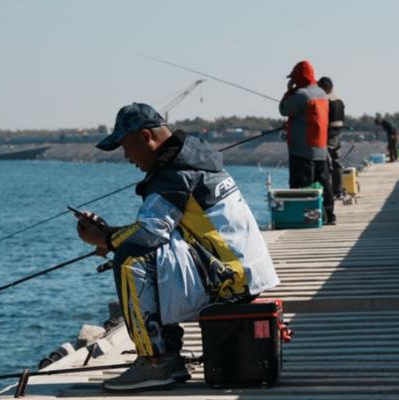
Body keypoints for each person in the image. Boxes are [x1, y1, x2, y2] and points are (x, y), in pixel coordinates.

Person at [74, 103, 279, 392]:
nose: (126, 156)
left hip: (230, 281)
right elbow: (159, 229)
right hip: (243, 272)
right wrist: (110, 236)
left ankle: (156, 361)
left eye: (126, 145)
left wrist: (106, 240)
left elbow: (148, 234)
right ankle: (168, 358)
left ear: (146, 136)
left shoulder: (175, 173)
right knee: (139, 248)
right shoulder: (192, 157)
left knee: (131, 258)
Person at [279, 60, 336, 224]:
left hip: (302, 149)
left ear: (298, 77)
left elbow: (284, 109)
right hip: (320, 148)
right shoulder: (322, 94)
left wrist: (289, 91)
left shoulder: (300, 95)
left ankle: (304, 219)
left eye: (294, 78)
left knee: (301, 188)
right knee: (325, 184)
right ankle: (330, 215)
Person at [318, 76, 346, 198]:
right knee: (336, 162)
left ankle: (329, 192)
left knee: (328, 164)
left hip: (330, 135)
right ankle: (338, 190)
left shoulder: (326, 100)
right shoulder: (339, 100)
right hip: (338, 134)